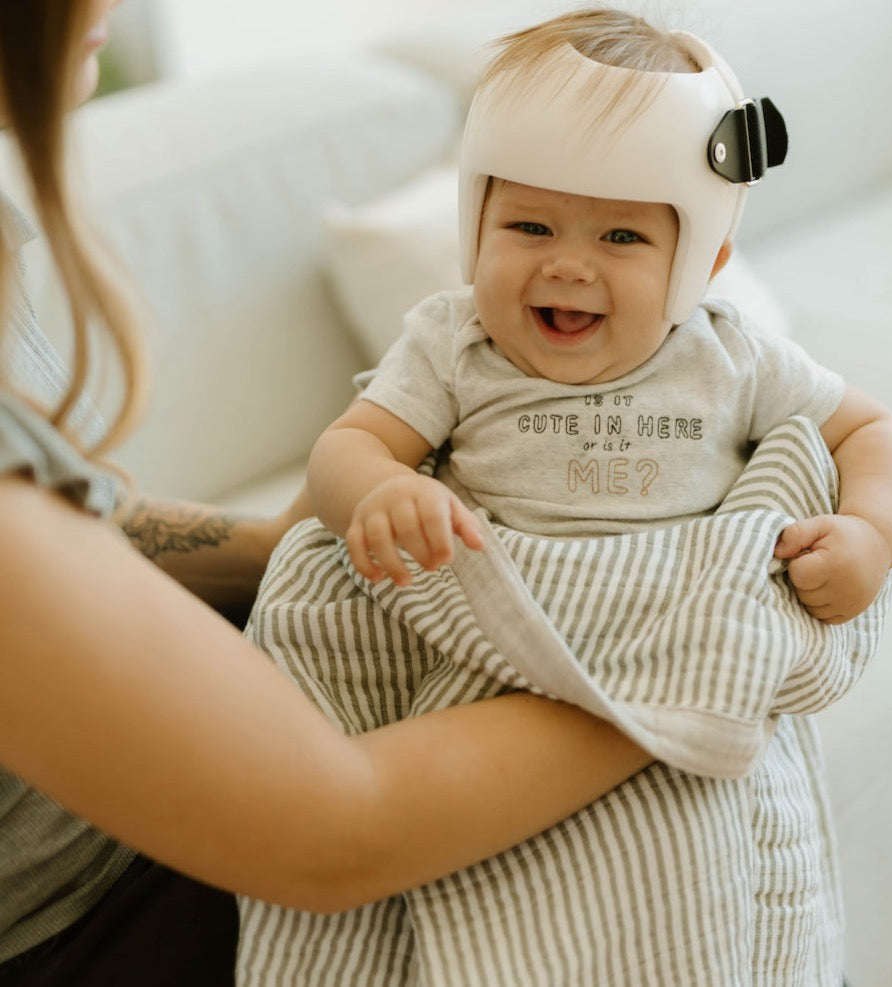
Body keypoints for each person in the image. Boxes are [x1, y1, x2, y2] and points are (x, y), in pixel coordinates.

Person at [0, 3, 656, 983]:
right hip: (86, 920)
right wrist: (690, 676)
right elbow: (339, 835)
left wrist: (280, 546)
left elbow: (83, 523)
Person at [269, 7, 892, 985]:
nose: (567, 263)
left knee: (689, 874)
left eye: (621, 235)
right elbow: (348, 448)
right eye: (528, 224)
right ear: (473, 224)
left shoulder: (729, 355)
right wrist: (379, 494)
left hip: (676, 667)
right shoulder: (452, 347)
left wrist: (871, 533)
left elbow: (872, 432)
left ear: (700, 260)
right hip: (498, 669)